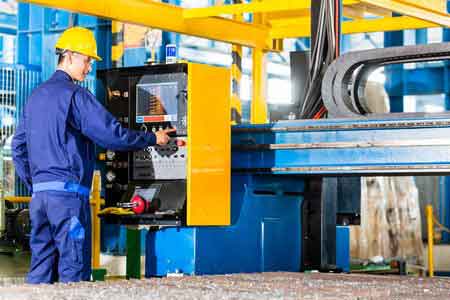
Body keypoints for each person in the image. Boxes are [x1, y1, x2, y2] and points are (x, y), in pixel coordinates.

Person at [11, 27, 174, 284]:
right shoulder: (75, 95)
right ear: (70, 55)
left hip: (40, 200)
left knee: (40, 271)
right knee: (73, 272)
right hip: (68, 201)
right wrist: (154, 138)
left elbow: (18, 148)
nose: (88, 68)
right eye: (87, 60)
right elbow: (112, 135)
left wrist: (37, 184)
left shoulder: (35, 97)